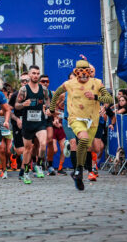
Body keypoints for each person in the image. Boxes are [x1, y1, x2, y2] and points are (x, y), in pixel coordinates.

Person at [48, 60, 113, 191]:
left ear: (90, 72)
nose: (84, 74)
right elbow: (56, 95)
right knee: (82, 139)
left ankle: (78, 172)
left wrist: (95, 97)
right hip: (75, 118)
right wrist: (51, 109)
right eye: (81, 71)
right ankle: (79, 170)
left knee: (91, 147)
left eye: (86, 71)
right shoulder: (69, 84)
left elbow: (110, 99)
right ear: (76, 72)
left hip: (92, 120)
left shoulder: (97, 83)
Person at [15, 65, 50, 184]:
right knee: (27, 149)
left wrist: (48, 109)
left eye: (37, 73)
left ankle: (38, 164)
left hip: (40, 122)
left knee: (43, 144)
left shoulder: (43, 89)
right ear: (29, 75)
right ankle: (25, 172)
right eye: (34, 73)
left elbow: (48, 100)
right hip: (28, 123)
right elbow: (16, 105)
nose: (36, 75)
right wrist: (24, 104)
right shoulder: (24, 90)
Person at [8, 72, 30, 179]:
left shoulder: (34, 93)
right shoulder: (15, 95)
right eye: (22, 81)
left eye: (27, 80)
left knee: (29, 148)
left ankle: (23, 170)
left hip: (30, 123)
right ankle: (13, 146)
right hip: (17, 123)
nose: (25, 83)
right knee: (21, 150)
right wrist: (17, 120)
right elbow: (9, 110)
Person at [39, 74, 56, 176]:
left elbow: (54, 108)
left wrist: (56, 118)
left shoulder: (51, 94)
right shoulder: (35, 92)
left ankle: (50, 165)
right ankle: (39, 164)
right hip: (37, 120)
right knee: (40, 143)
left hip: (48, 119)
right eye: (43, 81)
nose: (45, 83)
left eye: (47, 81)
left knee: (49, 140)